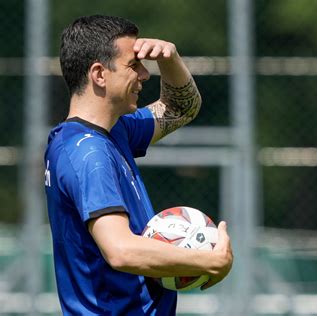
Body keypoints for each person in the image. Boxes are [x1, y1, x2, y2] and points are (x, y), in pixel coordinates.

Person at [44, 15, 233, 315]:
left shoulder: (110, 132)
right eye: (134, 65)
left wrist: (169, 58)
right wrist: (211, 260)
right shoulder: (88, 153)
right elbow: (120, 250)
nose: (145, 74)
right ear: (99, 74)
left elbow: (181, 108)